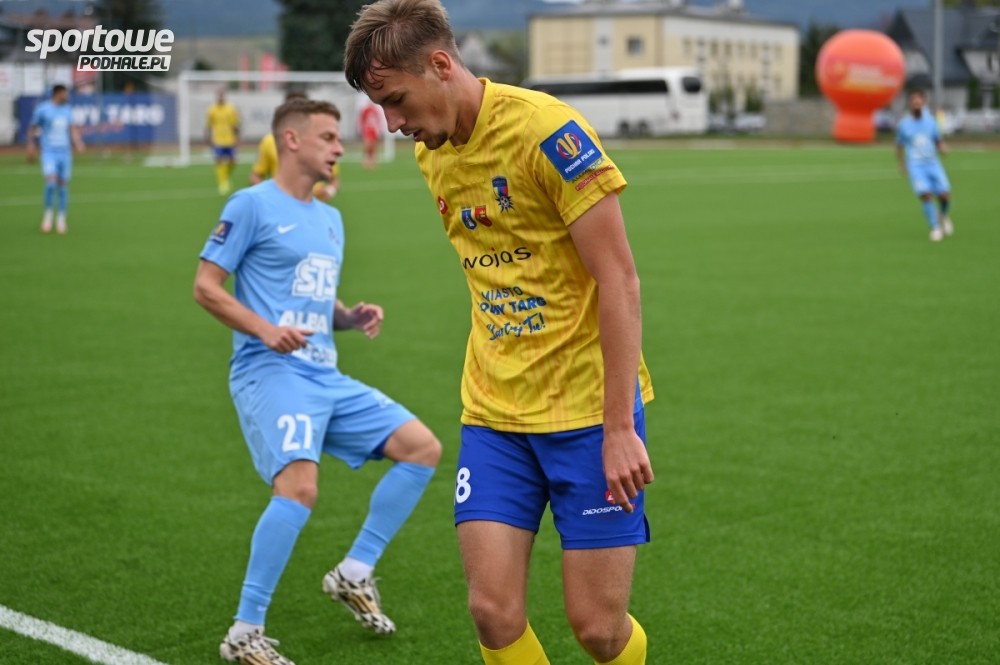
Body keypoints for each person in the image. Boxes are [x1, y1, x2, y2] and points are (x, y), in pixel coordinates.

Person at [345, 2, 655, 664]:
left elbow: (620, 280)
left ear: (440, 65)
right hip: (494, 411)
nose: (393, 124)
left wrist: (619, 427)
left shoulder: (548, 132)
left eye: (396, 100)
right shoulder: (432, 153)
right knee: (491, 610)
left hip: (587, 410)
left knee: (599, 631)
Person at [194, 97, 442, 665]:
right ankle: (244, 632)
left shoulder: (331, 218)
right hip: (270, 371)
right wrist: (265, 330)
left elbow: (309, 296)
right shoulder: (251, 204)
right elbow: (206, 286)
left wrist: (348, 316)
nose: (339, 148)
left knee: (421, 448)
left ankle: (354, 572)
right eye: (329, 137)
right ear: (292, 140)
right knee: (299, 488)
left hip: (324, 373)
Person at [250, 91, 341, 201]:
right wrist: (269, 196)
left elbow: (334, 179)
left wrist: (329, 191)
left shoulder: (321, 143)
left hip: (313, 201)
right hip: (281, 203)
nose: (340, 150)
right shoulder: (269, 141)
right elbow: (256, 176)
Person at [896, 89, 954, 242]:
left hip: (933, 163)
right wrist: (902, 164)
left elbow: (937, 140)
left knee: (945, 196)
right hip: (916, 165)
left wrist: (942, 147)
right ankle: (935, 227)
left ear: (923, 102)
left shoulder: (931, 122)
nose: (916, 102)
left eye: (919, 99)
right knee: (925, 195)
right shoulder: (904, 124)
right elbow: (899, 145)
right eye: (913, 99)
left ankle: (942, 215)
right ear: (910, 103)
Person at [27, 84, 85, 235]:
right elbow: (33, 127)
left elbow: (72, 129)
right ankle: (47, 216)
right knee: (51, 184)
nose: (67, 96)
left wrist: (78, 143)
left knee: (63, 186)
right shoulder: (43, 109)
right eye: (65, 93)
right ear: (57, 94)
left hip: (65, 153)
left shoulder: (67, 110)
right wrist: (31, 146)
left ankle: (61, 219)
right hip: (49, 152)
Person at [205, 89, 241, 195]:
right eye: (219, 96)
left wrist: (237, 138)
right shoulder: (212, 110)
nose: (221, 98)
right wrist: (209, 138)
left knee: (233, 162)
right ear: (217, 97)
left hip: (230, 139)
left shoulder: (231, 109)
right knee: (219, 161)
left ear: (225, 96)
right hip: (217, 140)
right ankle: (222, 183)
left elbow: (235, 125)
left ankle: (226, 178)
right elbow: (209, 126)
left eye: (222, 96)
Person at [358, 100, 383, 169]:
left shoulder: (375, 110)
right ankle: (366, 162)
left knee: (374, 148)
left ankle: (373, 163)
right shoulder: (365, 110)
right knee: (367, 147)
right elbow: (362, 120)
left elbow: (378, 120)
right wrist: (361, 129)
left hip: (374, 131)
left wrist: (379, 130)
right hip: (367, 130)